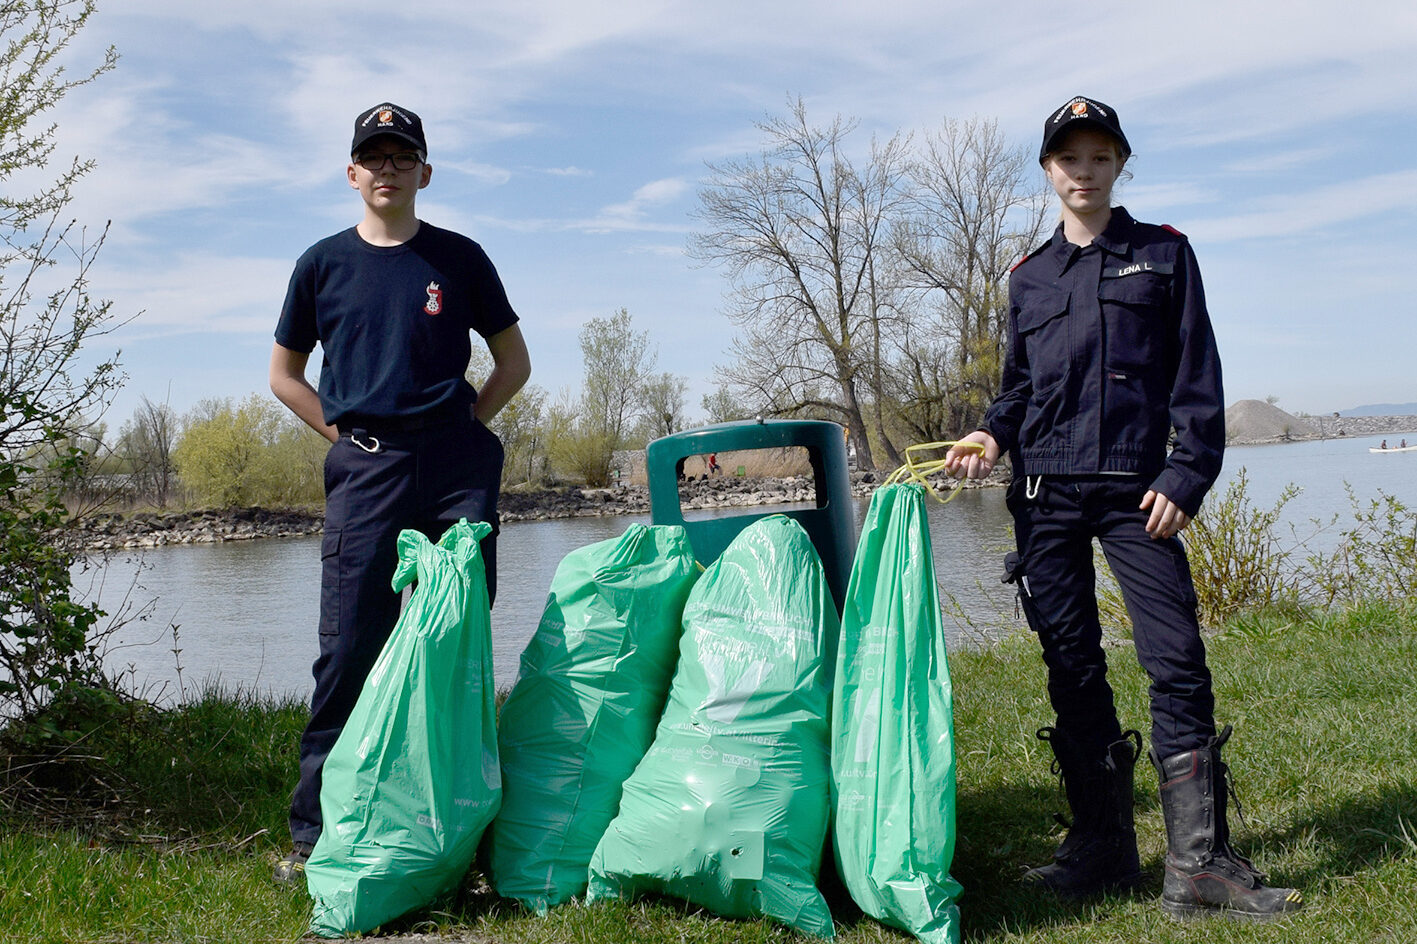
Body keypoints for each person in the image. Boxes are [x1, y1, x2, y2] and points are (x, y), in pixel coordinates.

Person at [945, 96, 1301, 920]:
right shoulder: (1027, 276)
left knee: (1175, 659)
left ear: (1118, 167)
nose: (1083, 171)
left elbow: (1195, 373)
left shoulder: (1164, 255)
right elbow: (1021, 389)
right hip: (1043, 496)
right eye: (1069, 159)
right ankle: (1102, 850)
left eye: (1099, 157)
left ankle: (1198, 867)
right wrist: (989, 435)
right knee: (1070, 667)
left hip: (1136, 495)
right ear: (1048, 170)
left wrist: (1186, 475)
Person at [268, 103, 531, 883]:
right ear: (352, 174)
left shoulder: (459, 258)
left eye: (400, 156)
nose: (386, 168)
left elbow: (513, 363)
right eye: (371, 157)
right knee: (348, 648)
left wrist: (464, 429)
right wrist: (348, 440)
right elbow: (283, 375)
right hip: (365, 473)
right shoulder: (321, 264)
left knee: (454, 649)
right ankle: (316, 836)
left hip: (457, 472)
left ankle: (463, 833)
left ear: (424, 171)